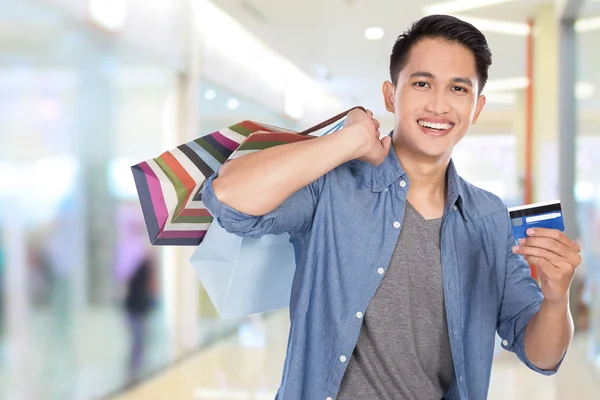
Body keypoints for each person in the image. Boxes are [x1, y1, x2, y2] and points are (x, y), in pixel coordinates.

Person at [201, 14, 582, 400]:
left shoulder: (489, 218)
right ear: (389, 94)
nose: (438, 105)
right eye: (421, 83)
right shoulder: (334, 186)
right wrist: (345, 143)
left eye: (458, 89)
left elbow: (543, 355)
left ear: (477, 107)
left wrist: (555, 298)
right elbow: (228, 197)